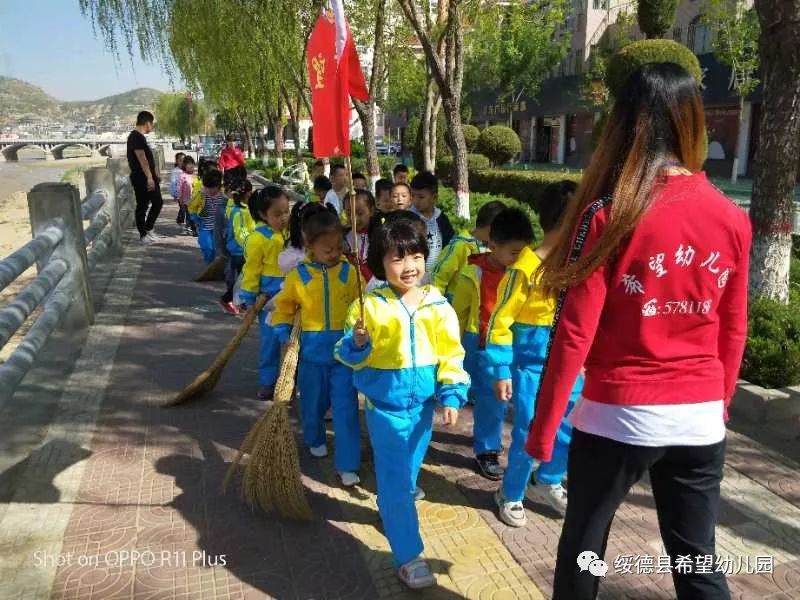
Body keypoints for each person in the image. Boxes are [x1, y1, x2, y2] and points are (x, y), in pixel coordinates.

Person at [527, 63, 750, 600]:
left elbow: (574, 333)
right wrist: (717, 404)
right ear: (692, 121)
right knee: (697, 560)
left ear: (623, 123)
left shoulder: (608, 215)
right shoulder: (731, 216)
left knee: (584, 544)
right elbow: (733, 328)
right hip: (697, 421)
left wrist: (543, 429)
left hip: (617, 415)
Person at [334, 216, 469, 590]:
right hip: (384, 411)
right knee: (395, 481)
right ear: (380, 262)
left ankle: (392, 511)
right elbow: (347, 355)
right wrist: (358, 342)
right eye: (397, 258)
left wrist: (452, 394)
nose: (408, 266)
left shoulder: (439, 305)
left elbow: (451, 354)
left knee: (407, 478)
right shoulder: (370, 307)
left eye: (415, 256)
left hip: (423, 409)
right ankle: (409, 556)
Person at [485, 189, 582, 526]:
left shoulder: (579, 265)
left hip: (569, 367)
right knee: (528, 431)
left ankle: (548, 479)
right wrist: (501, 369)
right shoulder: (523, 270)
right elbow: (499, 322)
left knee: (572, 427)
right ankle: (510, 493)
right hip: (529, 369)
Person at [272, 210, 363, 485]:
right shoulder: (298, 277)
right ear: (309, 245)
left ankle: (348, 463)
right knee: (312, 403)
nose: (335, 253)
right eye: (327, 249)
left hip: (344, 355)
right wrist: (281, 330)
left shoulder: (350, 272)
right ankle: (313, 436)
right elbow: (283, 308)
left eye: (339, 247)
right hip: (311, 355)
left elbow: (363, 304)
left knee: (346, 409)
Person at [449, 207, 527, 481]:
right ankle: (484, 446)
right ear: (493, 246)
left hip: (502, 347)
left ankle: (487, 447)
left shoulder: (522, 273)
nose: (520, 258)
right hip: (474, 341)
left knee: (495, 399)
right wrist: (451, 348)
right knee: (476, 395)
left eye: (523, 251)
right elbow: (457, 312)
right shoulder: (473, 273)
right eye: (514, 252)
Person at [239, 187, 291, 400]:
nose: (284, 217)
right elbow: (251, 271)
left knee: (292, 340)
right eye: (277, 214)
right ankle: (268, 381)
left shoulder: (289, 233)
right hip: (268, 301)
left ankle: (291, 380)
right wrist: (249, 299)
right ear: (263, 215)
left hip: (291, 296)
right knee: (270, 342)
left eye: (286, 211)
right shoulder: (257, 238)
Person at [432, 200, 506, 301]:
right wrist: (437, 305)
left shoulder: (495, 248)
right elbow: (438, 278)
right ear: (491, 227)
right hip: (455, 311)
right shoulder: (460, 246)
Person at [409, 171, 455, 284]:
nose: (416, 201)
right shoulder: (408, 217)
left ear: (434, 197)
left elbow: (450, 244)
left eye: (421, 197)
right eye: (413, 196)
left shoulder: (441, 217)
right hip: (416, 275)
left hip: (440, 274)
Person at [217, 179, 253, 314]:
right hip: (240, 251)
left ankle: (241, 302)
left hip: (237, 249)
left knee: (242, 278)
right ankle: (227, 299)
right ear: (247, 194)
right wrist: (250, 246)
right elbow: (240, 233)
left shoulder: (233, 207)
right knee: (245, 278)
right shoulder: (240, 212)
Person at [127, 110, 163, 245]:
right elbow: (142, 159)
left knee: (157, 202)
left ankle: (148, 229)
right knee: (142, 206)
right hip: (141, 179)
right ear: (147, 123)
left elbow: (148, 159)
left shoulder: (139, 137)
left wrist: (154, 175)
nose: (152, 126)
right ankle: (143, 235)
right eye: (151, 124)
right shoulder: (135, 137)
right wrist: (149, 178)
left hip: (148, 177)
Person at [188, 169, 226, 264]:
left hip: (219, 228)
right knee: (206, 247)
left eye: (211, 188)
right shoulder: (201, 194)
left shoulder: (224, 195)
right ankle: (209, 262)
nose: (208, 190)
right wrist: (194, 218)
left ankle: (215, 265)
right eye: (206, 187)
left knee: (217, 248)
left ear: (218, 186)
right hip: (205, 226)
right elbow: (191, 205)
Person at [344, 189, 377, 283]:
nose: (354, 218)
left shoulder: (380, 235)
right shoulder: (345, 237)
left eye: (360, 213)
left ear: (371, 211)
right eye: (349, 213)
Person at [177, 156, 196, 235]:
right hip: (186, 200)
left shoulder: (195, 175)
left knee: (194, 214)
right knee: (189, 214)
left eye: (192, 163)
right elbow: (179, 188)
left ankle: (193, 227)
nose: (191, 165)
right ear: (185, 165)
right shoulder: (182, 176)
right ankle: (190, 228)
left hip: (195, 199)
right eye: (188, 164)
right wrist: (180, 198)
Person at [169, 152, 186, 222]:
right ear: (177, 161)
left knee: (186, 208)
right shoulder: (175, 171)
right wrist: (174, 194)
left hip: (187, 193)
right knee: (183, 208)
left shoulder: (187, 169)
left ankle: (180, 219)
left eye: (184, 160)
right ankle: (181, 220)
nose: (182, 162)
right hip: (179, 193)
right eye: (180, 160)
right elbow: (173, 183)